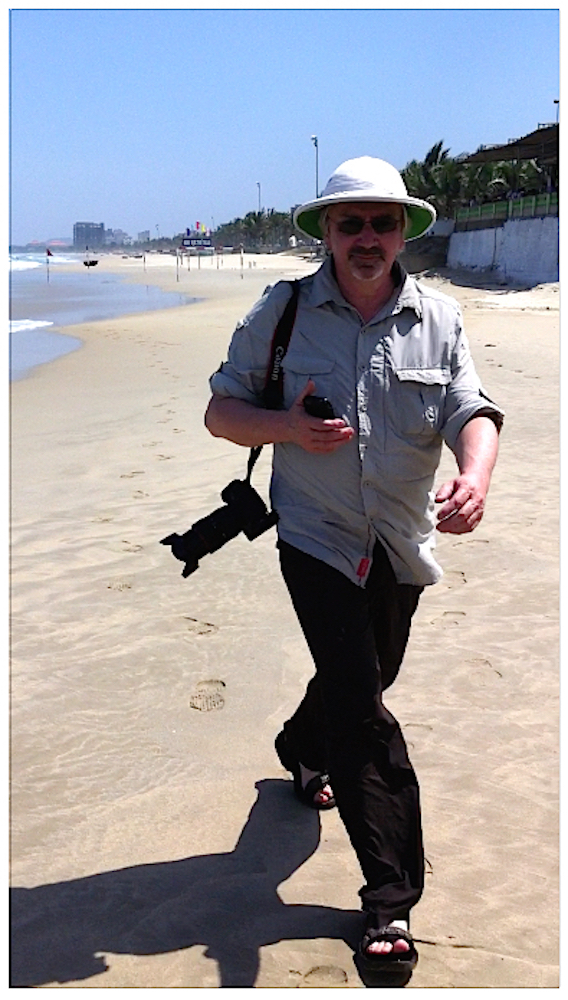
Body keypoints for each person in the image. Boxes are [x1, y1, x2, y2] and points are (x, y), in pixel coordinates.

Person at [205, 156, 503, 976]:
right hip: (316, 537)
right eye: (350, 223)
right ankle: (388, 903)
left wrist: (474, 476)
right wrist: (286, 429)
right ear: (326, 234)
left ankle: (302, 748)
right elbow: (220, 412)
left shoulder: (439, 319)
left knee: (369, 677)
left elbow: (471, 410)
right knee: (364, 712)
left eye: (381, 222)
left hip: (403, 542)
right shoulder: (284, 311)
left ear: (404, 230)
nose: (366, 238)